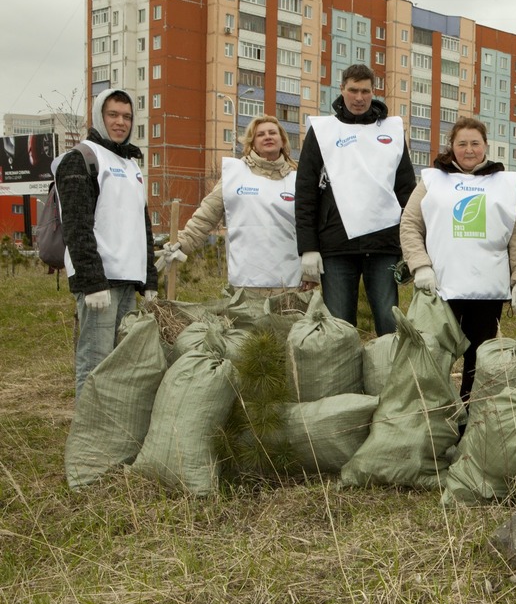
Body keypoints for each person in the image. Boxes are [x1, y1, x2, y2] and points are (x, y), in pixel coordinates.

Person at [399, 116, 516, 402]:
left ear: (485, 146)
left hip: (487, 289)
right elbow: (410, 224)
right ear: (451, 146)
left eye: (475, 143)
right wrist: (420, 265)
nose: (469, 150)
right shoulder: (433, 179)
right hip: (441, 287)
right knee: (435, 353)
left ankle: (470, 414)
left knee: (478, 357)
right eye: (462, 144)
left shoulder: (506, 184)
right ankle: (436, 411)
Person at [295, 64, 416, 334]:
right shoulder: (323, 131)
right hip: (337, 245)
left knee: (389, 321)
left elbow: (406, 190)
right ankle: (344, 377)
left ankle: (390, 375)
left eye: (365, 91)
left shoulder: (392, 130)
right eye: (353, 90)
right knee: (340, 328)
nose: (359, 98)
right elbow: (305, 192)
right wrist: (308, 247)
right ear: (341, 90)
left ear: (374, 92)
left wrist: (411, 245)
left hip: (384, 243)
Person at [56, 87, 156, 398]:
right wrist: (91, 282)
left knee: (119, 362)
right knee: (95, 363)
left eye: (127, 116)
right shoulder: (81, 159)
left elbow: (143, 226)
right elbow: (76, 225)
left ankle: (110, 428)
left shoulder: (130, 164)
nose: (120, 122)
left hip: (127, 281)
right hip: (100, 282)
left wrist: (149, 278)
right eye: (112, 114)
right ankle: (89, 434)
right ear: (100, 116)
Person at [157, 115, 300, 291]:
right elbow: (207, 213)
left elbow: (310, 224)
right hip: (246, 283)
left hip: (290, 282)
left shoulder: (298, 178)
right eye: (261, 134)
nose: (268, 137)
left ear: (283, 141)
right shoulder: (235, 175)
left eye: (272, 133)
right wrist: (183, 242)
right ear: (252, 143)